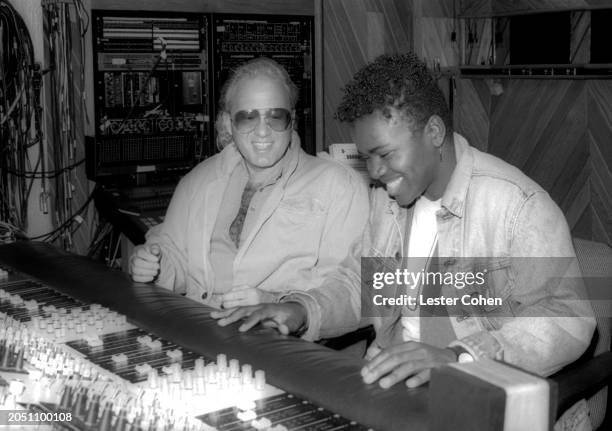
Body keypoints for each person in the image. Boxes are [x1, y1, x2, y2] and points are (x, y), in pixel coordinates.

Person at [212, 53, 595, 390]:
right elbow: (360, 287)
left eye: (385, 154)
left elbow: (569, 319)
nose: (375, 172)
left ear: (433, 132)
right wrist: (301, 310)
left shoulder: (517, 206)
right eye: (366, 157)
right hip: (392, 385)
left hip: (479, 394)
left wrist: (458, 357)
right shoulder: (388, 202)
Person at [129, 57, 368, 309]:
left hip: (278, 342)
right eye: (247, 118)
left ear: (292, 120)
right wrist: (154, 266)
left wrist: (280, 304)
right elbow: (174, 256)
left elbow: (355, 287)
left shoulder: (338, 186)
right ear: (228, 123)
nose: (262, 131)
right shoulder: (197, 181)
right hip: (199, 329)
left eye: (276, 117)